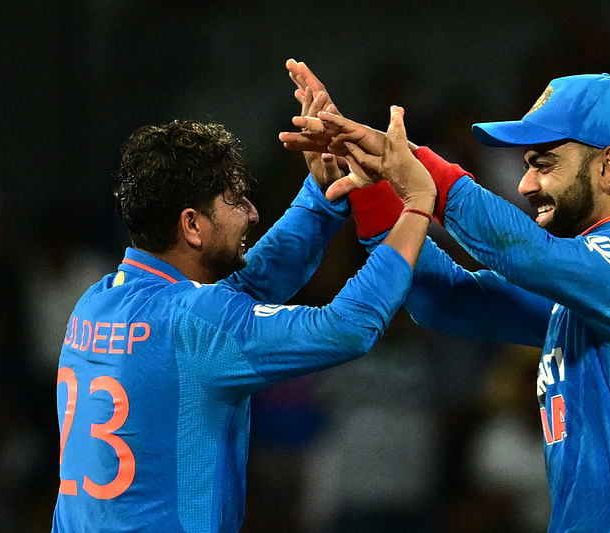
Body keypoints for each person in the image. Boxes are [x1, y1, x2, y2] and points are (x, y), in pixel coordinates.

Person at [280, 61, 610, 532]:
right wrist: (374, 185)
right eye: (526, 166)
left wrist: (419, 170)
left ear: (608, 166)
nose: (525, 185)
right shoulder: (590, 291)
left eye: (544, 163)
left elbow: (529, 257)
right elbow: (444, 299)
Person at [51, 101, 436, 532]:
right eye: (234, 198)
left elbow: (243, 290)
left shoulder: (94, 302)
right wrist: (417, 204)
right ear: (192, 225)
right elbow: (346, 328)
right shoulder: (195, 323)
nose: (252, 212)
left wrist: (321, 194)